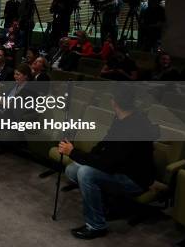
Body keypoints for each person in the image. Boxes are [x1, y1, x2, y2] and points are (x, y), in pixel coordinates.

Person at [58, 88, 159, 240]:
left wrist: (73, 152)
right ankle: (107, 204)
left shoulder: (133, 127)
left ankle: (96, 225)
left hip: (134, 179)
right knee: (72, 169)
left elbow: (108, 163)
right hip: (118, 169)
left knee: (85, 173)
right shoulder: (121, 118)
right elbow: (104, 145)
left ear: (114, 102)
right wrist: (85, 156)